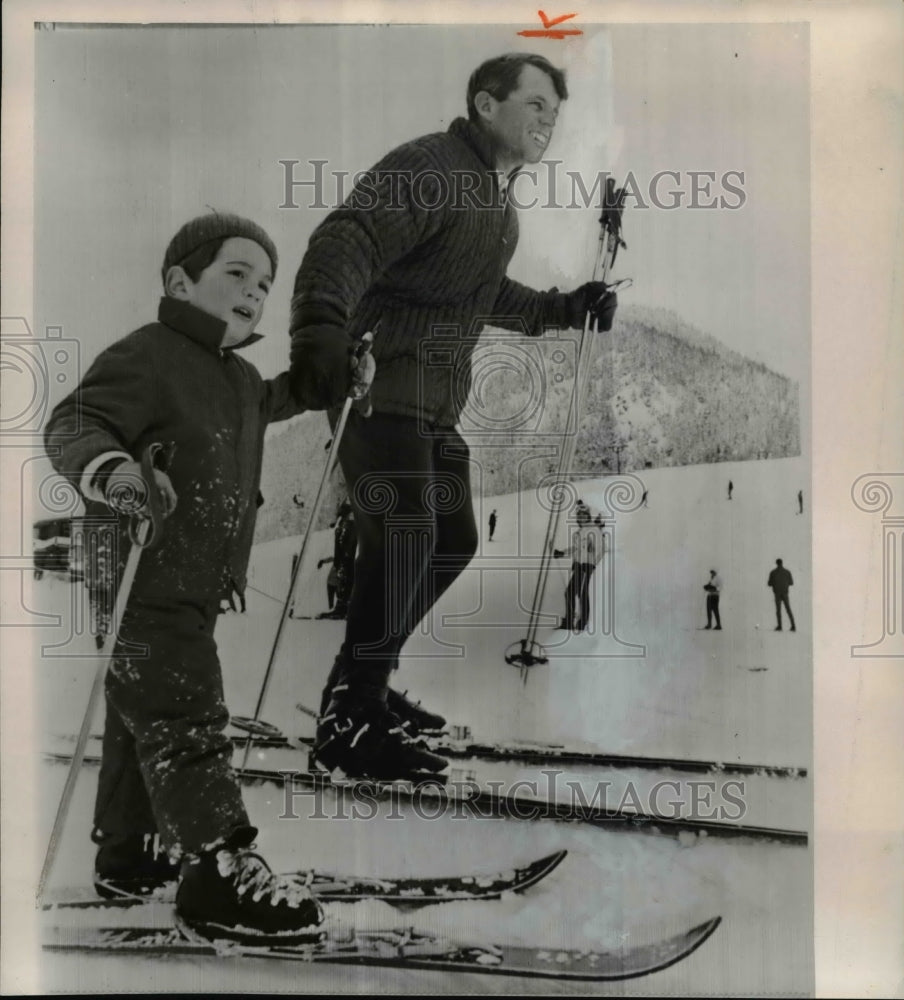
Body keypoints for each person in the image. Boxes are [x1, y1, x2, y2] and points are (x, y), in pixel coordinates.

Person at [43, 213, 373, 945]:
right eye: (237, 274)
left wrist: (335, 380)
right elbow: (74, 422)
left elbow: (278, 400)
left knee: (145, 715)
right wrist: (114, 473)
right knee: (186, 715)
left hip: (195, 578)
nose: (254, 293)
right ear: (179, 281)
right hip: (136, 569)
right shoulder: (149, 355)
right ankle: (216, 867)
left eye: (264, 284)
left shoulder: (243, 377)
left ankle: (130, 851)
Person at [290, 52, 619, 780]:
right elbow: (349, 237)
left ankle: (358, 688)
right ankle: (352, 720)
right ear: (485, 104)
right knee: (408, 532)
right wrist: (319, 321)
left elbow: (483, 294)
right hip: (379, 383)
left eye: (555, 113)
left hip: (435, 402)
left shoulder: (493, 200)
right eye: (535, 105)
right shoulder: (433, 166)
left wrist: (563, 308)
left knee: (452, 539)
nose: (548, 122)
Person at [554, 507, 605, 632]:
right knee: (570, 593)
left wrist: (591, 563)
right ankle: (569, 622)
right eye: (579, 515)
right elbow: (576, 549)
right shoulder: (580, 532)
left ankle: (582, 623)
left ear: (588, 516)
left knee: (581, 593)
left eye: (584, 515)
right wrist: (562, 553)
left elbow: (601, 549)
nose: (581, 518)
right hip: (578, 566)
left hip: (585, 567)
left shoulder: (594, 530)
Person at [316, 499, 357, 619]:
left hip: (346, 562)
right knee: (335, 582)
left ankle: (342, 607)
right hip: (342, 562)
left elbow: (346, 548)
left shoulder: (349, 526)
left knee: (342, 581)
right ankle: (339, 606)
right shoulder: (345, 526)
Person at [767, 558, 796, 631]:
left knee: (778, 610)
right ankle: (793, 626)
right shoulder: (787, 572)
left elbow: (769, 583)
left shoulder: (773, 572)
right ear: (782, 563)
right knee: (788, 609)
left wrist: (775, 584)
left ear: (776, 563)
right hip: (785, 593)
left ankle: (780, 626)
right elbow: (791, 583)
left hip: (777, 593)